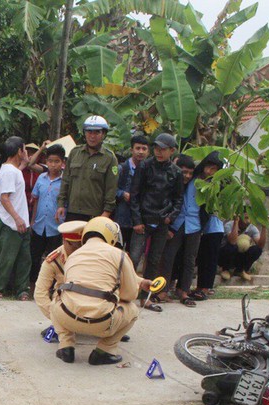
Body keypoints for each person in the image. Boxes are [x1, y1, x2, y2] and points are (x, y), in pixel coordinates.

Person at [50, 217, 152, 365]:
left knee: (56, 300)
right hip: (102, 321)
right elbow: (130, 295)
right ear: (111, 236)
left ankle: (66, 346)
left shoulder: (73, 255)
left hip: (68, 317)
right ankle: (105, 350)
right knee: (133, 310)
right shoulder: (120, 255)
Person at [128, 133, 183, 311]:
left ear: (172, 151)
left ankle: (146, 298)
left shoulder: (176, 173)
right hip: (142, 220)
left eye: (163, 149)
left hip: (162, 221)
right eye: (156, 149)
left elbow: (178, 199)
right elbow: (134, 194)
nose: (158, 152)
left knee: (154, 260)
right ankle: (125, 294)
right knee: (133, 258)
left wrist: (170, 217)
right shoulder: (144, 166)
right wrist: (137, 220)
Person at [0, 136, 32, 300]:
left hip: (21, 222)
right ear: (19, 151)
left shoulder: (12, 170)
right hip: (11, 222)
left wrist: (24, 164)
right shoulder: (8, 170)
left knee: (23, 259)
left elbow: (14, 180)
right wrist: (17, 218)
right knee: (6, 258)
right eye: (24, 149)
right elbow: (4, 198)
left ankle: (22, 290)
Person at [156, 155, 202, 307]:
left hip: (194, 225)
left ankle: (184, 291)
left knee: (190, 259)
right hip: (175, 224)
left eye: (190, 173)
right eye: (184, 172)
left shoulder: (197, 183)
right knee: (168, 257)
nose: (187, 176)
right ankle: (162, 291)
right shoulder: (171, 182)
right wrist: (166, 227)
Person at [55, 115, 118, 223]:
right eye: (89, 132)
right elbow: (66, 181)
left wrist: (106, 214)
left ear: (103, 134)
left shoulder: (110, 158)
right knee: (70, 240)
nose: (92, 136)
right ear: (84, 133)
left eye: (97, 132)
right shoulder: (75, 152)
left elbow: (111, 189)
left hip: (95, 215)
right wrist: (61, 204)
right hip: (72, 212)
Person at [34, 220, 87, 341]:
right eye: (74, 246)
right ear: (64, 242)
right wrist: (57, 317)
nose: (78, 250)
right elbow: (40, 293)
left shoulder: (94, 255)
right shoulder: (54, 260)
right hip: (67, 303)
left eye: (81, 245)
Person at [29, 144, 65, 285]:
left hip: (55, 227)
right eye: (50, 161)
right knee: (34, 257)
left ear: (62, 163)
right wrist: (33, 221)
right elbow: (36, 201)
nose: (53, 165)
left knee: (53, 260)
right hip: (39, 225)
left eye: (57, 161)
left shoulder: (65, 182)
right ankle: (33, 286)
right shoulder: (41, 178)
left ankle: (50, 288)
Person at [191, 152, 225, 300]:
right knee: (197, 257)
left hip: (213, 226)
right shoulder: (195, 180)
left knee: (209, 258)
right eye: (209, 167)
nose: (210, 171)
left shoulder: (219, 184)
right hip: (197, 225)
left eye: (214, 169)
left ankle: (204, 288)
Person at [116, 135, 150, 249]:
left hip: (139, 221)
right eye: (138, 148)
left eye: (144, 149)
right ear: (132, 150)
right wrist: (122, 194)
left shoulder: (149, 170)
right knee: (117, 252)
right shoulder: (122, 169)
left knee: (133, 256)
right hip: (121, 218)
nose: (141, 152)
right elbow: (110, 189)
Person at [219, 215, 267, 282]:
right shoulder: (229, 225)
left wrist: (264, 227)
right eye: (246, 217)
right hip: (225, 255)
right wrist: (236, 222)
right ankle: (225, 269)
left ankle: (240, 270)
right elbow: (232, 241)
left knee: (257, 249)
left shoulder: (252, 228)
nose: (248, 219)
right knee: (233, 246)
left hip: (239, 256)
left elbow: (260, 245)